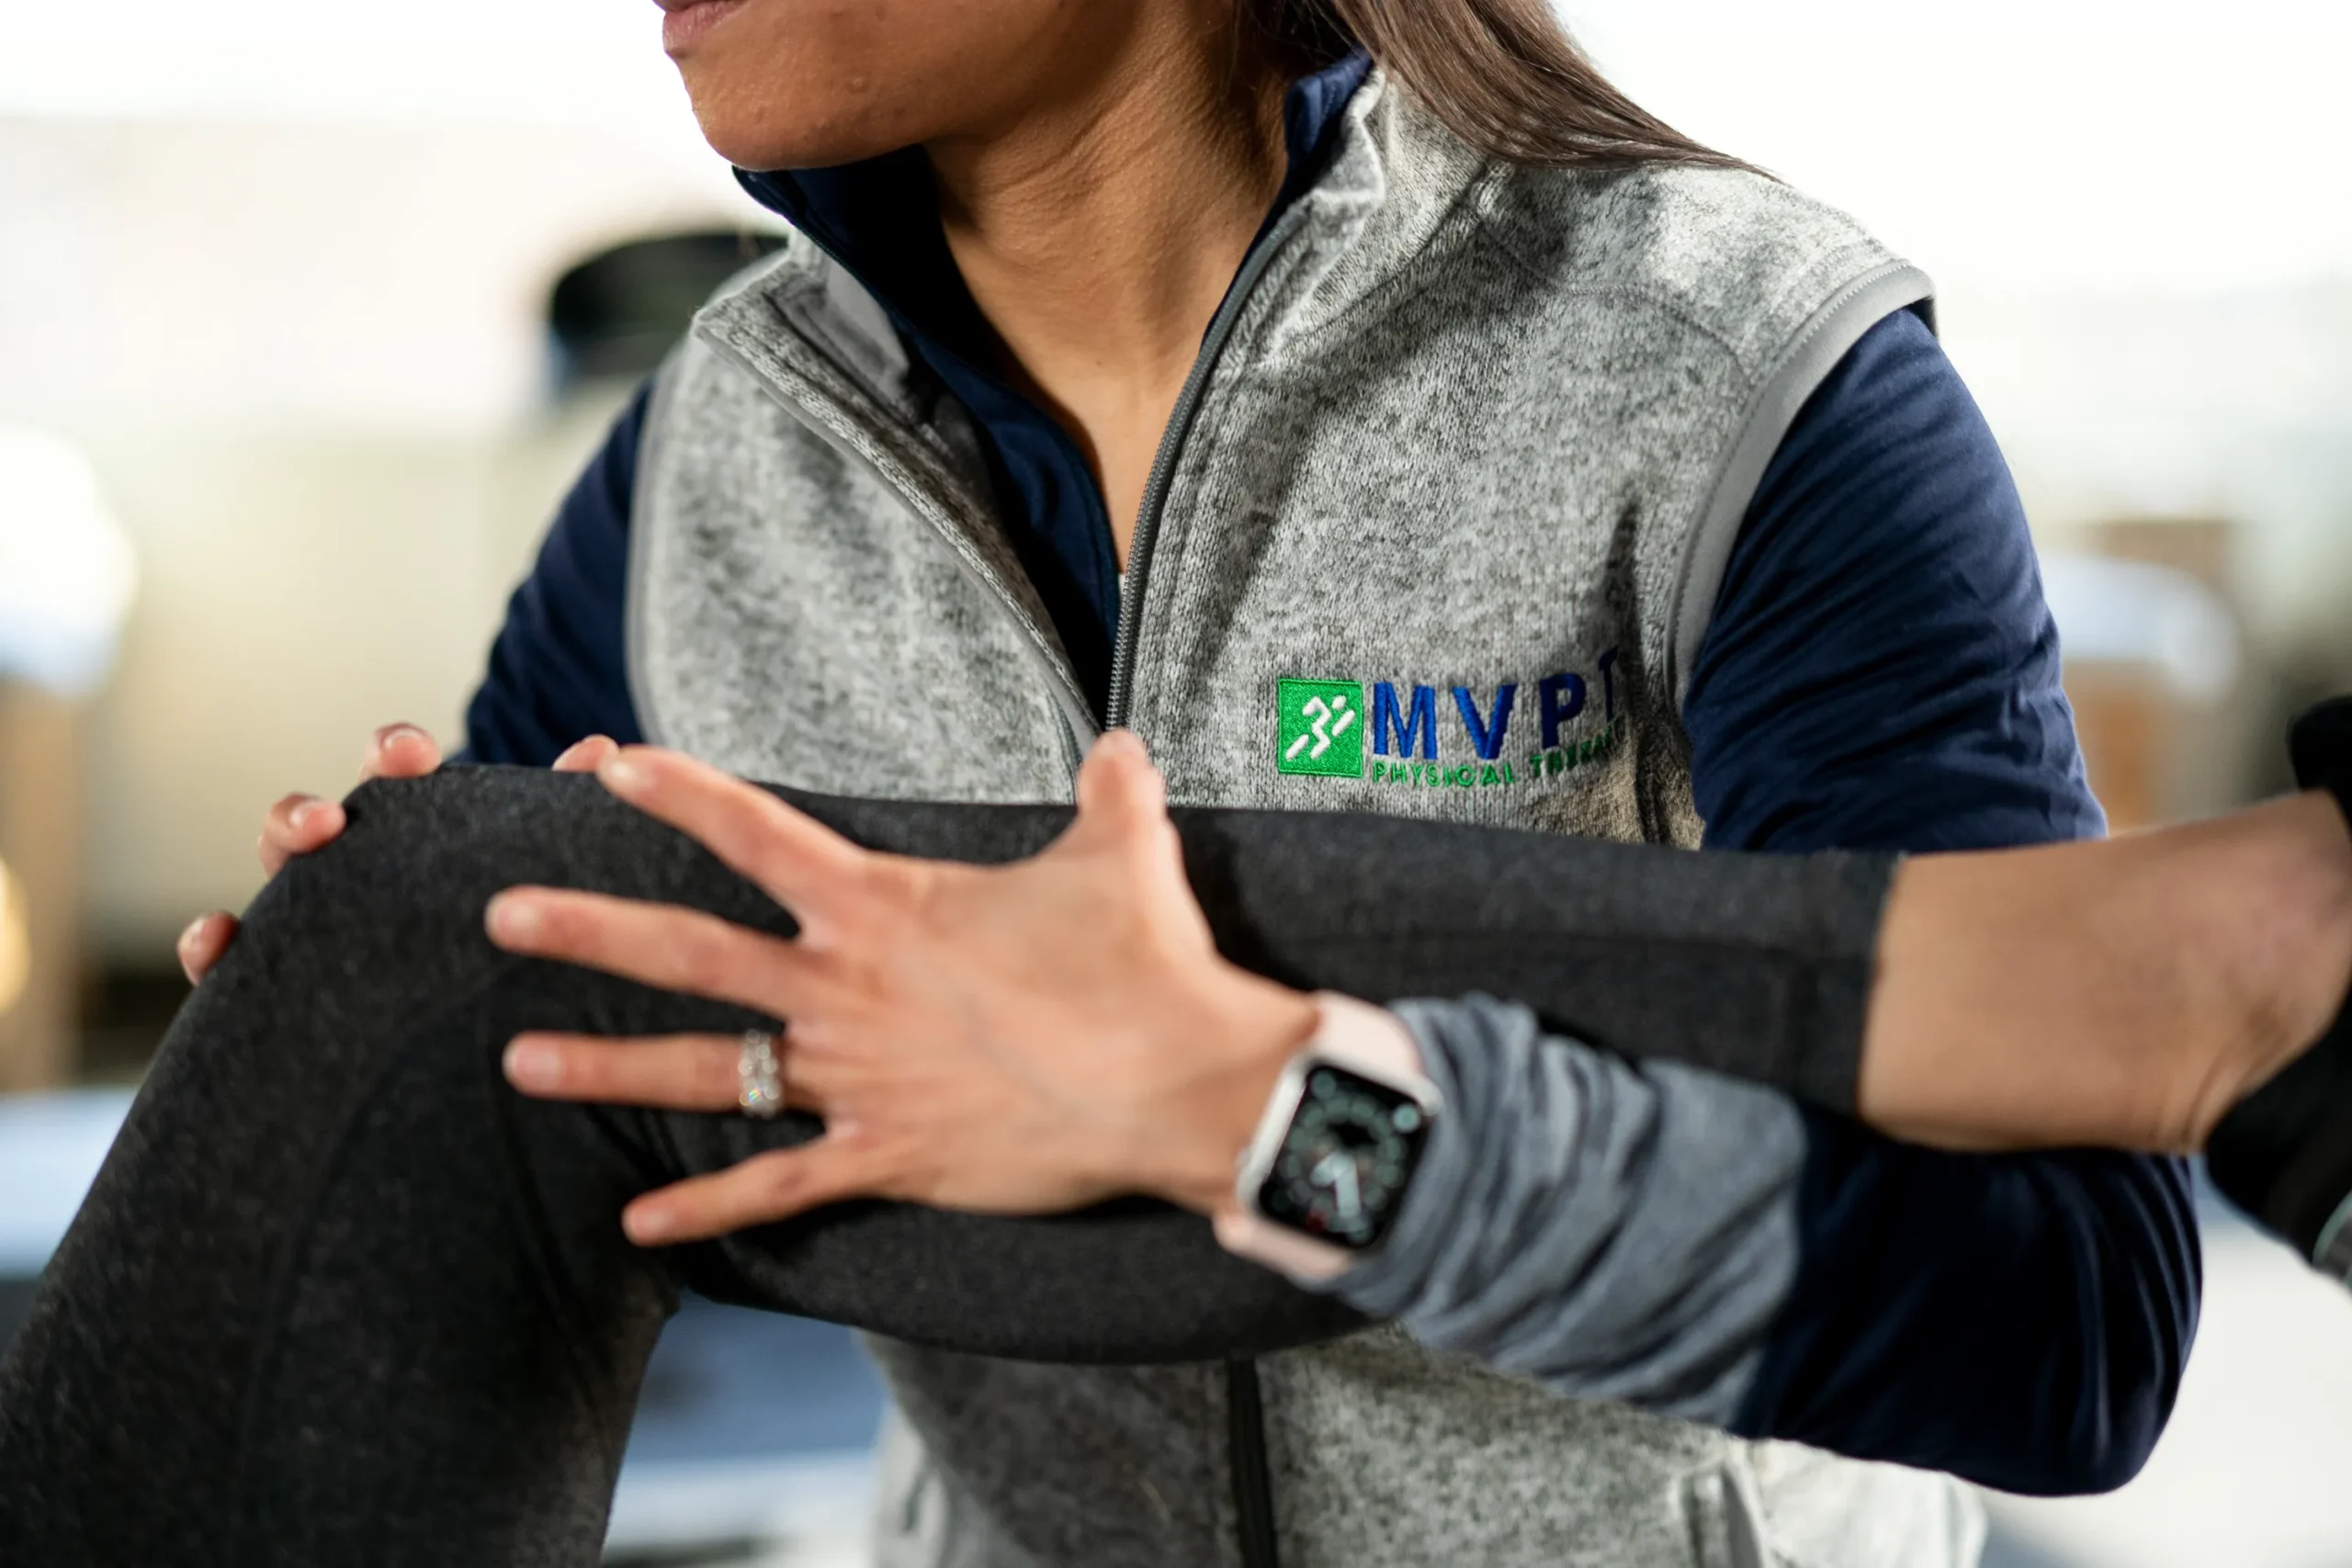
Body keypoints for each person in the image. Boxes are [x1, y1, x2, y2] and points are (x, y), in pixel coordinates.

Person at [5, 0, 2229, 1562]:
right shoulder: (710, 459)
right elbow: (546, 1104)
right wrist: (379, 1053)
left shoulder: (1733, 374)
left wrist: (1281, 1117)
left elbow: (2069, 1320)